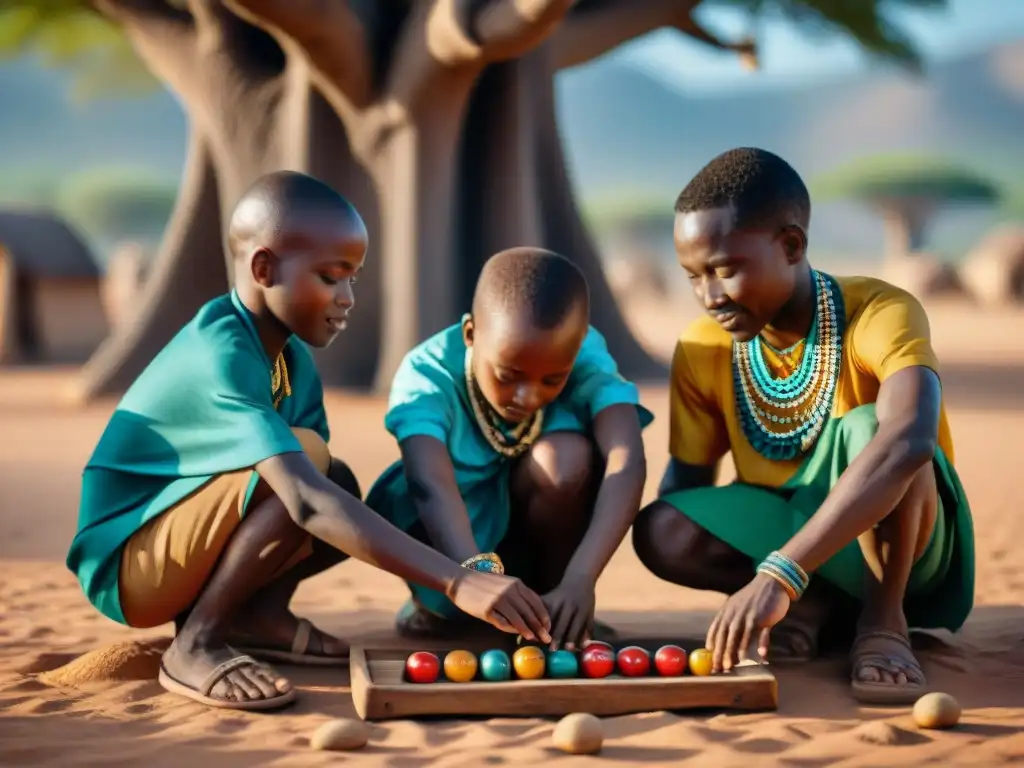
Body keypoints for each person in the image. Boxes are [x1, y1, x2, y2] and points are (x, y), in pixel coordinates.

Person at [66, 172, 551, 712]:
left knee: (336, 478)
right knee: (312, 470)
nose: (347, 298)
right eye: (330, 277)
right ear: (263, 268)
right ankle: (196, 642)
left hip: (184, 545)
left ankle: (259, 619)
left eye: (353, 279)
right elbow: (301, 500)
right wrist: (459, 581)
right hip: (132, 564)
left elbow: (313, 500)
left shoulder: (291, 360)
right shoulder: (219, 355)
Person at [630, 148, 975, 705]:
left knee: (874, 431)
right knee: (662, 528)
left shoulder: (879, 312)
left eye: (725, 270)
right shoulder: (702, 345)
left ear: (791, 246)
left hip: (905, 545)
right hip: (784, 536)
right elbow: (688, 480)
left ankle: (884, 621)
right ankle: (811, 608)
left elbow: (911, 439)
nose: (709, 296)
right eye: (693, 276)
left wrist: (779, 573)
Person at [366, 247, 652, 650]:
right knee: (420, 496)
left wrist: (580, 579)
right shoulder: (426, 375)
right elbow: (430, 484)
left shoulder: (581, 352)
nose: (527, 395)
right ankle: (440, 610)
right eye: (508, 374)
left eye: (552, 380)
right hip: (451, 537)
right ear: (470, 335)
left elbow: (626, 458)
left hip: (541, 531)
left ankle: (555, 610)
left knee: (565, 460)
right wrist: (473, 576)